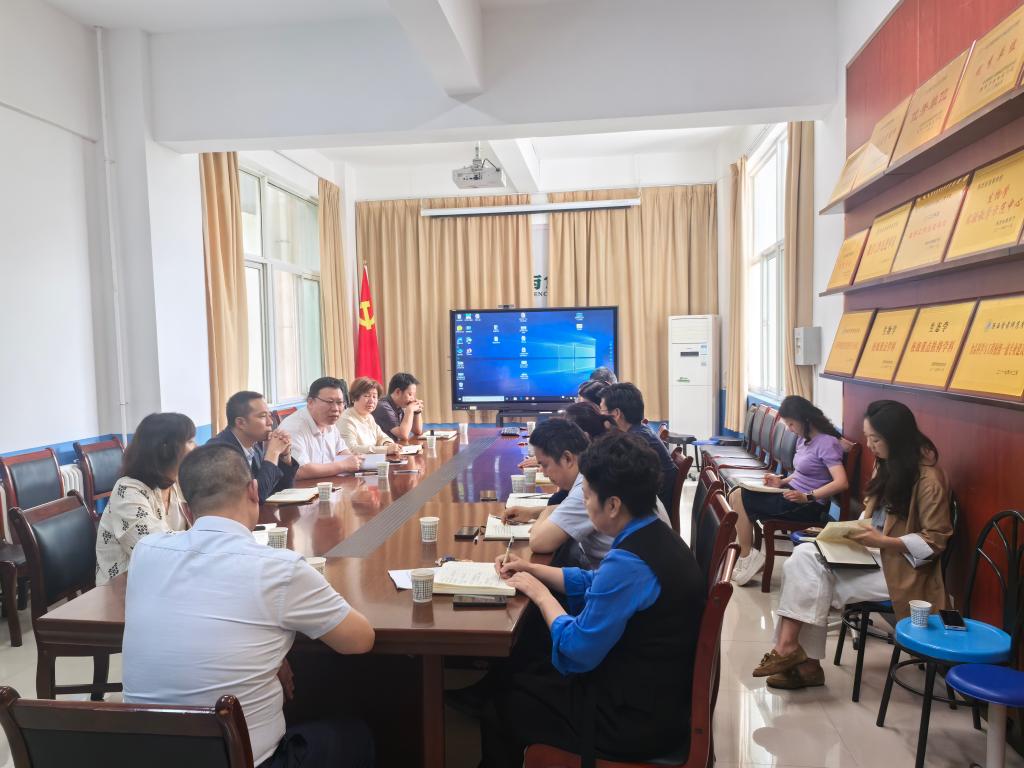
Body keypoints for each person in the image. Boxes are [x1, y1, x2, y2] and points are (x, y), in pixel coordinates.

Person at [122, 444, 376, 768]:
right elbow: (359, 640)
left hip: (145, 757)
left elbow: (200, 615)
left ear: (186, 511)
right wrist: (275, 651)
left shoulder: (146, 551)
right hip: (245, 761)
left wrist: (272, 652)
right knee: (355, 735)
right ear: (254, 491)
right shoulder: (280, 568)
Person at [479, 432, 705, 767]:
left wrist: (540, 594)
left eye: (586, 497)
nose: (583, 505)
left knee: (504, 702)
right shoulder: (654, 535)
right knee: (528, 665)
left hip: (631, 721)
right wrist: (531, 569)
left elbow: (576, 650)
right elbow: (595, 583)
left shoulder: (629, 563)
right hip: (657, 696)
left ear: (613, 505)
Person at [752, 400, 952, 690]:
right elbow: (872, 516)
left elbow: (935, 541)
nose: (870, 445)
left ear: (897, 438)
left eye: (876, 439)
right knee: (804, 555)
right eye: (868, 437)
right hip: (871, 554)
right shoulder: (888, 464)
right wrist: (847, 534)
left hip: (902, 570)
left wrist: (882, 541)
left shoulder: (929, 480)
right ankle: (795, 655)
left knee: (808, 576)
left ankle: (798, 658)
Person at [509, 418, 670, 568]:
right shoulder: (600, 473)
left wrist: (546, 511)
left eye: (544, 465)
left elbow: (539, 542)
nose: (543, 473)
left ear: (567, 458)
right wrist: (533, 512)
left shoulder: (590, 487)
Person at [729, 395, 849, 586]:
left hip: (807, 505)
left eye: (791, 424)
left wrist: (808, 496)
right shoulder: (804, 439)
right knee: (736, 493)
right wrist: (781, 481)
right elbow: (801, 472)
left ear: (805, 420)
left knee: (740, 497)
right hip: (791, 494)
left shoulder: (827, 443)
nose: (789, 428)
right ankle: (748, 556)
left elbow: (841, 482)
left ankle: (747, 556)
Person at [95, 413, 195, 585]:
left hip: (168, 578)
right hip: (124, 587)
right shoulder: (128, 491)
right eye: (190, 441)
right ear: (165, 448)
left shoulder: (177, 482)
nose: (196, 447)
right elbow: (155, 549)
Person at [208, 391, 299, 503]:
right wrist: (273, 452)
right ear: (241, 423)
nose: (270, 422)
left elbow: (281, 490)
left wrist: (285, 456)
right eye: (263, 416)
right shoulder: (219, 451)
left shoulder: (254, 444)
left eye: (269, 415)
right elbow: (255, 498)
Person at [600, 383, 677, 512]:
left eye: (602, 410)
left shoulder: (636, 442)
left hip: (651, 511)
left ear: (616, 413)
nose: (600, 415)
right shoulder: (639, 431)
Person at [278, 378, 363, 479]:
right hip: (302, 487)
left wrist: (354, 460)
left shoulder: (329, 422)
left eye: (339, 402)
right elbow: (300, 470)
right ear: (310, 402)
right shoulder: (294, 427)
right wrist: (344, 465)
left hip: (327, 484)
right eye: (329, 402)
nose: (335, 408)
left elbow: (341, 451)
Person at [339, 377, 401, 455]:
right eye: (367, 396)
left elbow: (382, 437)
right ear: (354, 398)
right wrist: (386, 450)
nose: (371, 401)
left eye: (374, 397)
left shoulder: (369, 416)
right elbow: (351, 449)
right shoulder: (346, 420)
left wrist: (388, 444)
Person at [373, 372, 425, 441]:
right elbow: (403, 435)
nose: (412, 398)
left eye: (413, 395)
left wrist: (417, 412)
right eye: (410, 394)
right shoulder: (383, 407)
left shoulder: (399, 405)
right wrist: (410, 410)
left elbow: (417, 431)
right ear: (398, 392)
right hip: (382, 447)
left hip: (394, 446)